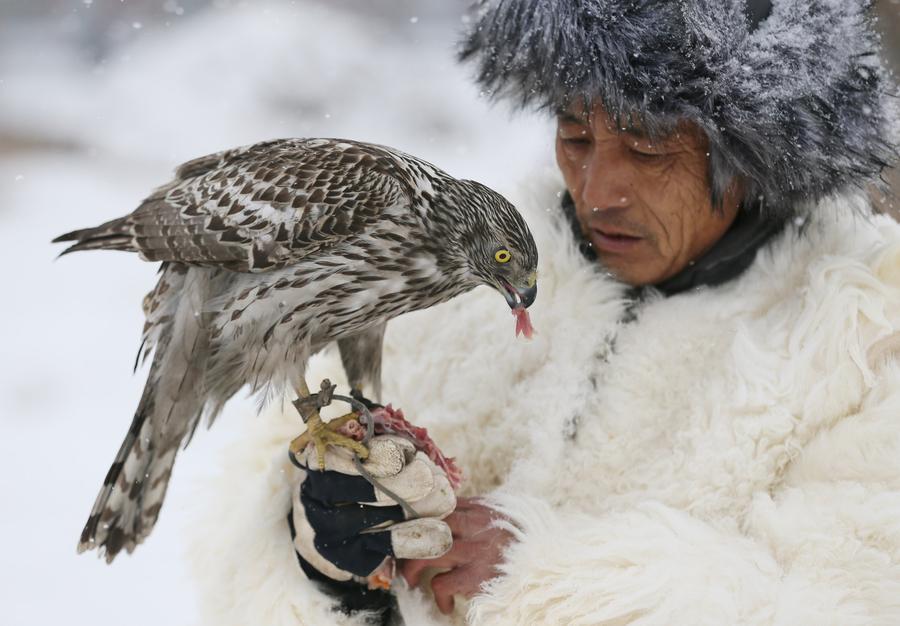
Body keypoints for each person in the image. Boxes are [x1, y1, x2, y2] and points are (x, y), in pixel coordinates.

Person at [189, 1, 900, 624]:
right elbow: (249, 521)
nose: (597, 191)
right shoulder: (450, 280)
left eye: (649, 147)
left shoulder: (865, 332)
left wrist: (553, 576)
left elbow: (844, 599)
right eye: (574, 135)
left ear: (758, 155)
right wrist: (325, 563)